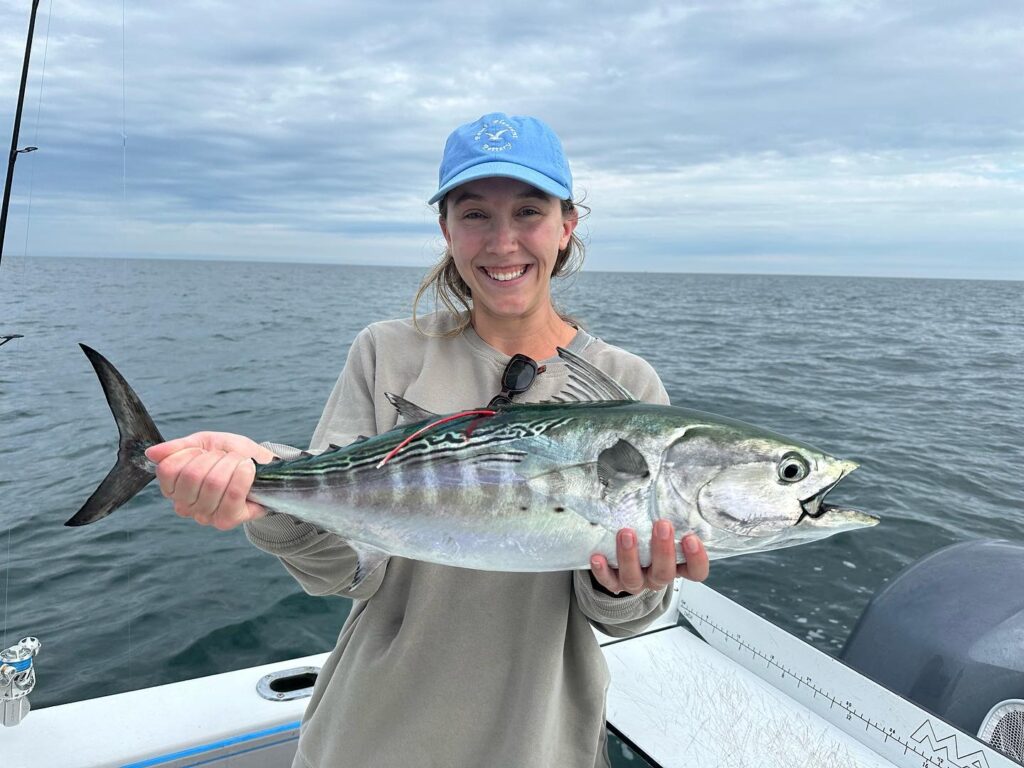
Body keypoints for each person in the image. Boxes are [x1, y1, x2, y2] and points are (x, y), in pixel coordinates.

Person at [145, 112, 710, 768]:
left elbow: (622, 617)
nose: (502, 243)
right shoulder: (387, 354)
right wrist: (269, 502)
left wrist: (629, 585)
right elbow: (349, 571)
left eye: (528, 211)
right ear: (446, 228)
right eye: (475, 215)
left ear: (566, 225)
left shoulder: (626, 384)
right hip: (369, 734)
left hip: (536, 741)